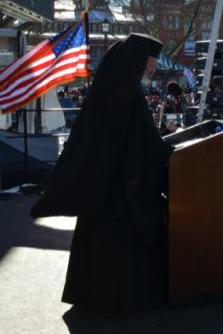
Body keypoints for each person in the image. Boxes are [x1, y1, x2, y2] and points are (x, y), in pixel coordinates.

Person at [31, 34, 172, 316]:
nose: (153, 71)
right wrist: (164, 149)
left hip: (105, 183)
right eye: (151, 65)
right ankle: (118, 301)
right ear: (137, 62)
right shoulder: (125, 94)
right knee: (120, 246)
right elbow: (137, 140)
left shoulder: (115, 87)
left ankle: (95, 296)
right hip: (119, 187)